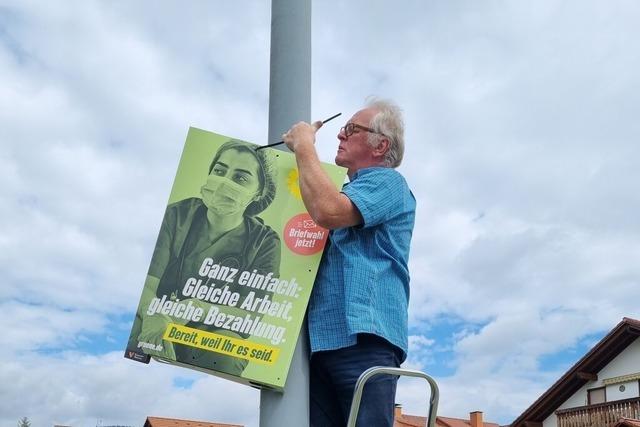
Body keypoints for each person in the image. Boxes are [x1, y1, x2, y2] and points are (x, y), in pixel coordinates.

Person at [283, 98, 416, 427]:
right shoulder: (348, 189)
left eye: (350, 129)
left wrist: (303, 146)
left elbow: (329, 211)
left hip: (363, 342)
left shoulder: (387, 182)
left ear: (380, 144)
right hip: (320, 347)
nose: (340, 136)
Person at [127, 139, 280, 376]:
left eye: (240, 178)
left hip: (213, 332)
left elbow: (252, 315)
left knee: (228, 354)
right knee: (138, 331)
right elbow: (149, 283)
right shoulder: (178, 215)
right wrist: (154, 314)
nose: (223, 182)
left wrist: (198, 309)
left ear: (258, 192)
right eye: (219, 171)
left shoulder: (264, 242)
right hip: (162, 316)